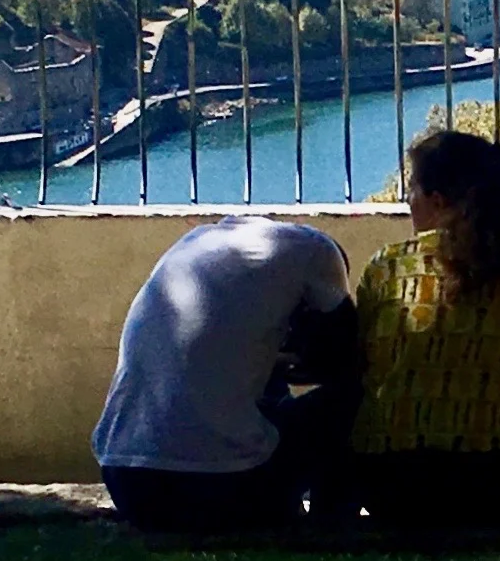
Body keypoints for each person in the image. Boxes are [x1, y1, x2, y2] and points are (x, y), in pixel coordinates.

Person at [92, 214, 361, 536]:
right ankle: (330, 526)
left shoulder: (194, 242)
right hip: (218, 489)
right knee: (355, 394)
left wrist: (276, 359)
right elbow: (346, 356)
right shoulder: (317, 250)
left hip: (128, 484)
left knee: (266, 390)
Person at [350, 125, 500, 528]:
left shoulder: (388, 265)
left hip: (398, 490)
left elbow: (363, 363)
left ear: (436, 201)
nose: (408, 200)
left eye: (411, 190)